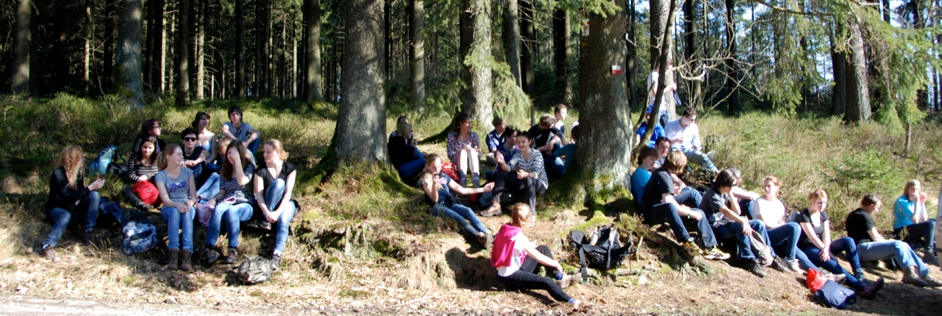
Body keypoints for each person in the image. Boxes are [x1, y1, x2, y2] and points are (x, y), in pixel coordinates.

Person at [638, 150, 729, 260]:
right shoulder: (663, 175)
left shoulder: (664, 173)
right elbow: (668, 201)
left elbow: (664, 195)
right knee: (672, 206)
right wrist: (689, 212)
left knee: (698, 208)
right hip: (649, 214)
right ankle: (686, 241)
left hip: (661, 207)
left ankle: (710, 247)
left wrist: (687, 209)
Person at [796, 189, 883, 299]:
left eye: (824, 203)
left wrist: (827, 248)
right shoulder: (804, 215)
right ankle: (862, 288)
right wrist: (824, 250)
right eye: (819, 203)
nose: (822, 206)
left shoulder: (823, 215)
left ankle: (858, 274)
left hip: (824, 247)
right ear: (812, 200)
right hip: (809, 247)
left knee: (848, 240)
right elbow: (811, 236)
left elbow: (826, 235)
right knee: (832, 263)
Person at [491, 203, 581, 308]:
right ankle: (570, 301)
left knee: (543, 248)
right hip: (510, 277)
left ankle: (560, 277)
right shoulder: (518, 237)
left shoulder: (505, 227)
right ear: (526, 219)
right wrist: (556, 264)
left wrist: (529, 247)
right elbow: (538, 257)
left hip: (509, 269)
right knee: (547, 282)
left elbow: (510, 247)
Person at [847, 193, 942, 287]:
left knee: (902, 245)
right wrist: (891, 243)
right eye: (877, 207)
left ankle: (924, 274)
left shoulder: (858, 214)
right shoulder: (862, 215)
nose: (877, 210)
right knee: (898, 245)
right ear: (871, 205)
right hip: (861, 249)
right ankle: (911, 274)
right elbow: (876, 237)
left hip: (863, 249)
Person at [701, 169, 780, 277]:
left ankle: (769, 255)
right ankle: (747, 259)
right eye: (732, 185)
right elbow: (725, 211)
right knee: (739, 226)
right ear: (725, 183)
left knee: (758, 224)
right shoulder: (713, 194)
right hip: (714, 228)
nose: (733, 187)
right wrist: (742, 221)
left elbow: (737, 211)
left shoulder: (725, 193)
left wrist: (730, 194)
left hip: (725, 223)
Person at [40, 146, 105, 262]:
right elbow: (67, 197)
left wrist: (93, 186)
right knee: (66, 215)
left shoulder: (78, 174)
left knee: (94, 195)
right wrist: (90, 187)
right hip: (58, 208)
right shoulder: (58, 174)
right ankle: (48, 245)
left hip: (73, 207)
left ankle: (88, 232)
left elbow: (80, 193)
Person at [418, 154, 495, 245]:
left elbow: (461, 190)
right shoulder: (425, 179)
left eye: (439, 166)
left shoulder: (443, 176)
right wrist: (434, 184)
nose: (437, 169)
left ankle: (487, 233)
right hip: (437, 206)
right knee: (458, 217)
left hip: (449, 202)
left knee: (468, 210)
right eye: (434, 167)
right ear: (428, 166)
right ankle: (479, 236)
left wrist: (483, 189)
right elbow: (434, 199)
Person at [204, 140, 257, 265]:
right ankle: (210, 248)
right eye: (229, 153)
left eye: (234, 153)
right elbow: (222, 192)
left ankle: (233, 249)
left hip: (245, 203)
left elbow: (242, 181)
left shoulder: (249, 167)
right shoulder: (225, 170)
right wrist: (213, 199)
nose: (230, 156)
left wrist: (238, 162)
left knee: (232, 211)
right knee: (218, 208)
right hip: (228, 200)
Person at [482, 132, 548, 227]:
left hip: (538, 184)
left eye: (523, 142)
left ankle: (531, 215)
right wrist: (502, 162)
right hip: (522, 182)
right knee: (501, 174)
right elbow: (508, 168)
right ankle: (496, 204)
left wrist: (526, 174)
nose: (520, 144)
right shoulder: (518, 154)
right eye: (518, 142)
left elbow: (535, 174)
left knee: (529, 179)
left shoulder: (536, 154)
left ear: (529, 142)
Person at [254, 140, 298, 270]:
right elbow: (259, 196)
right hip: (267, 204)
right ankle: (266, 220)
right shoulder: (260, 171)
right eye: (264, 152)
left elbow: (288, 194)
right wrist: (267, 212)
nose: (265, 155)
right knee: (278, 183)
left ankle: (277, 255)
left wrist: (278, 212)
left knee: (284, 220)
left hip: (285, 203)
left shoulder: (289, 168)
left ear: (278, 153)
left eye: (268, 152)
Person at [754, 176, 811, 273]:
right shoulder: (759, 202)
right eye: (765, 186)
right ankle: (789, 259)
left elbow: (782, 222)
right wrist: (782, 229)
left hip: (778, 235)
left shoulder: (779, 204)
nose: (766, 189)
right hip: (765, 234)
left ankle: (823, 275)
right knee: (794, 226)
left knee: (801, 255)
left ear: (776, 188)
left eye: (769, 186)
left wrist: (784, 231)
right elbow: (765, 223)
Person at [154, 144, 197, 271]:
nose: (181, 156)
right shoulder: (161, 176)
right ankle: (173, 254)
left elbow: (194, 196)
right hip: (170, 206)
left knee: (187, 212)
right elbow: (166, 200)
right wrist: (177, 204)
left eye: (181, 154)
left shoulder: (188, 172)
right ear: (168, 156)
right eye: (178, 154)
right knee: (174, 212)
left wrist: (191, 201)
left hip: (186, 205)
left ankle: (187, 255)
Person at [893, 180, 938, 265]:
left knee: (934, 221)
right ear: (907, 190)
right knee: (930, 224)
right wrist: (917, 203)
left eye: (917, 190)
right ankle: (928, 253)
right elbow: (915, 220)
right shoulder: (901, 201)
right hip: (902, 232)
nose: (915, 192)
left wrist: (922, 202)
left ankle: (935, 249)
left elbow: (924, 219)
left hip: (911, 229)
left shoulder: (915, 201)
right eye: (912, 189)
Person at [663, 108, 718, 173]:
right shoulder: (671, 125)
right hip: (674, 149)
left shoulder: (694, 127)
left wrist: (696, 146)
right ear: (684, 117)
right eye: (691, 120)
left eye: (694, 120)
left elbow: (696, 142)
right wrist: (676, 141)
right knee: (676, 155)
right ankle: (687, 172)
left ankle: (716, 172)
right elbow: (665, 143)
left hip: (687, 149)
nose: (693, 122)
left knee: (702, 156)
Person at [446, 113, 482, 187]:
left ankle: (475, 178)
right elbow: (450, 154)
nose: (470, 125)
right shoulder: (452, 135)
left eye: (471, 123)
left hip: (471, 163)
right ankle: (463, 178)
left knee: (472, 151)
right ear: (461, 123)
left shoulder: (474, 135)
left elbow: (479, 153)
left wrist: (477, 151)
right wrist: (462, 150)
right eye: (467, 123)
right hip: (458, 163)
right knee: (462, 152)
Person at [125, 136, 161, 210]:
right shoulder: (134, 157)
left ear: (154, 148)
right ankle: (141, 204)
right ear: (141, 147)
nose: (147, 150)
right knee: (125, 189)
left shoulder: (158, 157)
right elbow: (130, 174)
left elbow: (161, 173)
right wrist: (139, 179)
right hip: (139, 185)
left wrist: (147, 176)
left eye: (150, 148)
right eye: (144, 147)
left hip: (155, 184)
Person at [528, 114, 565, 181]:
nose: (553, 126)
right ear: (545, 126)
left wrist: (551, 143)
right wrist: (544, 148)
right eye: (552, 125)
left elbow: (559, 133)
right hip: (537, 156)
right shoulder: (532, 132)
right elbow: (530, 151)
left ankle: (562, 171)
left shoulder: (550, 127)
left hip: (549, 153)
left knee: (556, 144)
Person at [388, 121, 426, 186]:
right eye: (410, 131)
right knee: (424, 161)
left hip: (403, 165)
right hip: (401, 168)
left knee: (416, 151)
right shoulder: (399, 141)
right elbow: (403, 158)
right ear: (405, 132)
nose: (412, 132)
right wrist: (410, 142)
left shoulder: (401, 139)